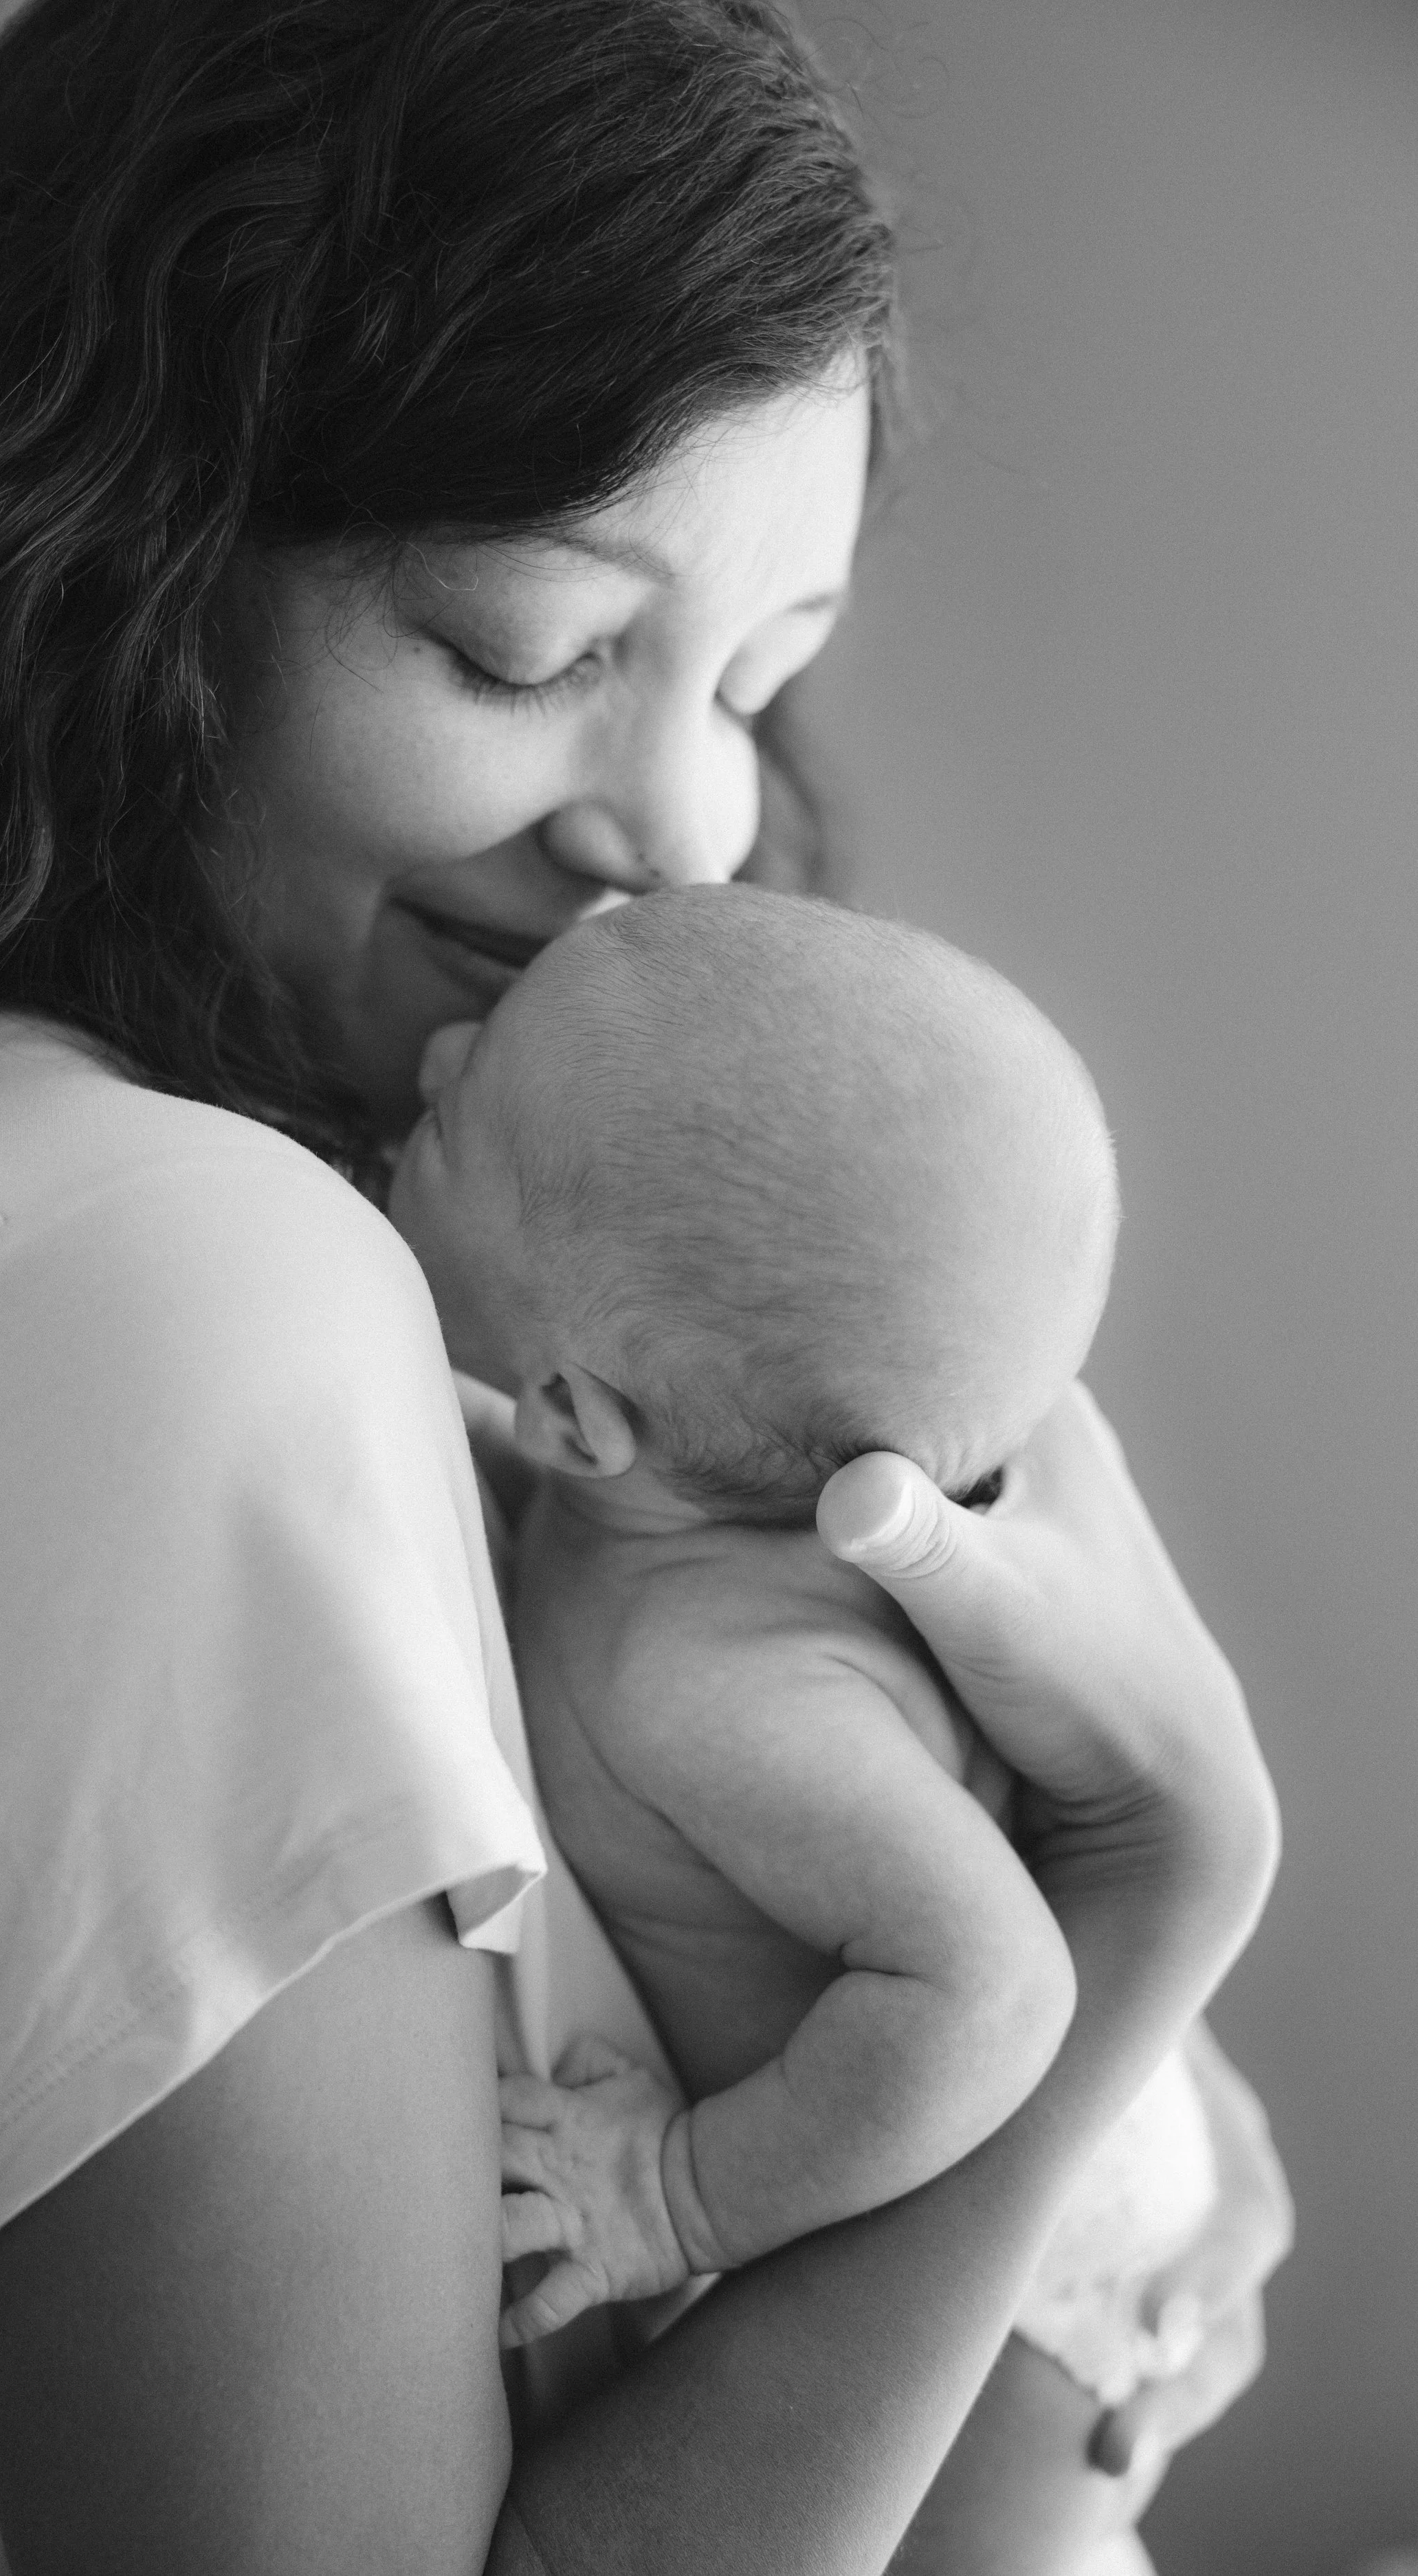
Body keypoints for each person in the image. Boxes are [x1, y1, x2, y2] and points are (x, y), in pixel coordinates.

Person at [0, 3, 1288, 2571]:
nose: (687, 826)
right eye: (533, 646)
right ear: (122, 543)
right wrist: (1155, 1891)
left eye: (761, 676)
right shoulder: (176, 1288)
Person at [384, 888, 1221, 2441]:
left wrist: (674, 2193)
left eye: (457, 1116)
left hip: (1042, 2267)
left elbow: (991, 1984)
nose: (432, 1057)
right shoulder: (632, 1495)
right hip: (1009, 2153)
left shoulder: (730, 1691)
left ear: (578, 1413)